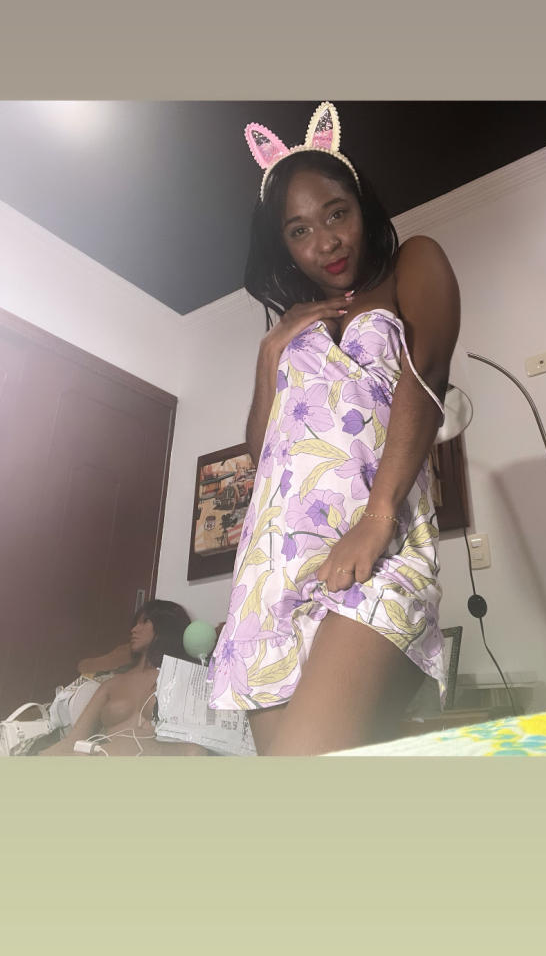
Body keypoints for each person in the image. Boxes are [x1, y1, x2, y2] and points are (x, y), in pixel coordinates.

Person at [207, 102, 460, 755]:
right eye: (300, 230)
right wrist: (270, 353)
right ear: (284, 246)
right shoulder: (291, 328)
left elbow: (426, 375)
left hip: (375, 544)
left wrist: (377, 518)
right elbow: (265, 453)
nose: (325, 241)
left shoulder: (413, 264)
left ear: (362, 208)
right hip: (271, 569)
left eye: (336, 214)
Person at [39, 598, 207, 756]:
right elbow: (73, 741)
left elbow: (197, 744)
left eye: (144, 621)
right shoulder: (111, 684)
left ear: (166, 625)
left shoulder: (183, 679)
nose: (134, 629)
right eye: (135, 624)